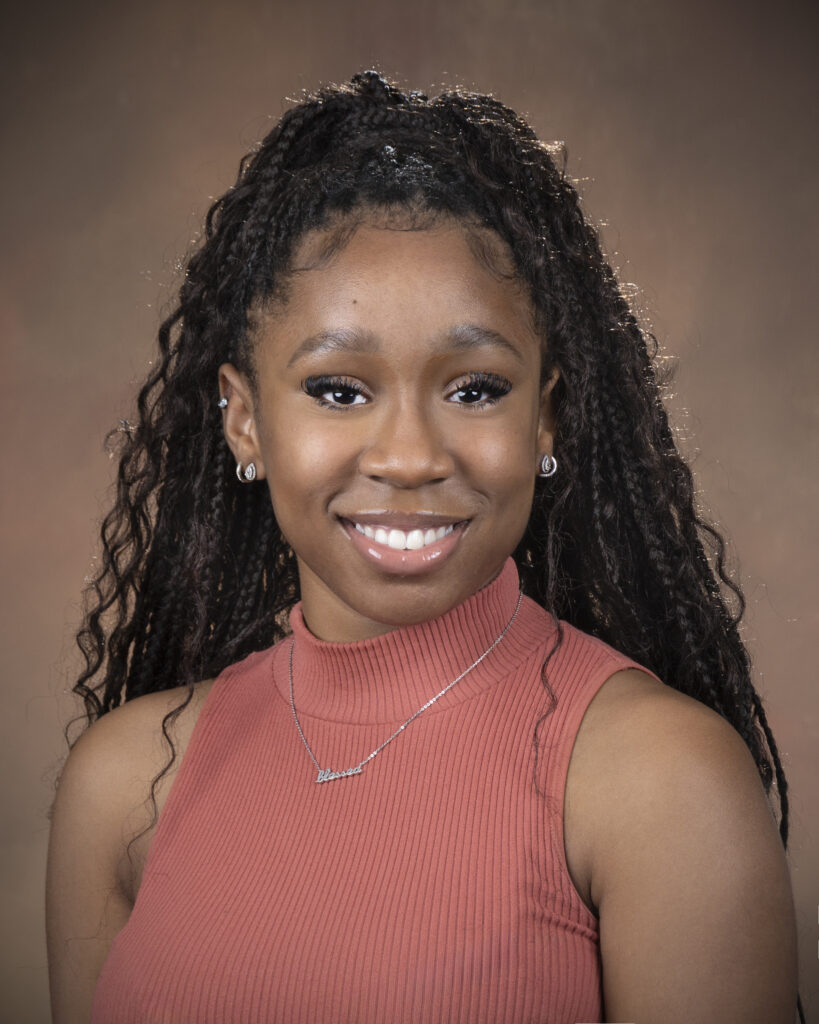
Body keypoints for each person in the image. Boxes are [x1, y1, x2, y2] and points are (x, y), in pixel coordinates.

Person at [45, 71, 803, 1024]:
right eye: (338, 390)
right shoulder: (125, 785)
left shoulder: (658, 782)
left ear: (544, 417)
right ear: (242, 419)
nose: (408, 457)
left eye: (474, 389)